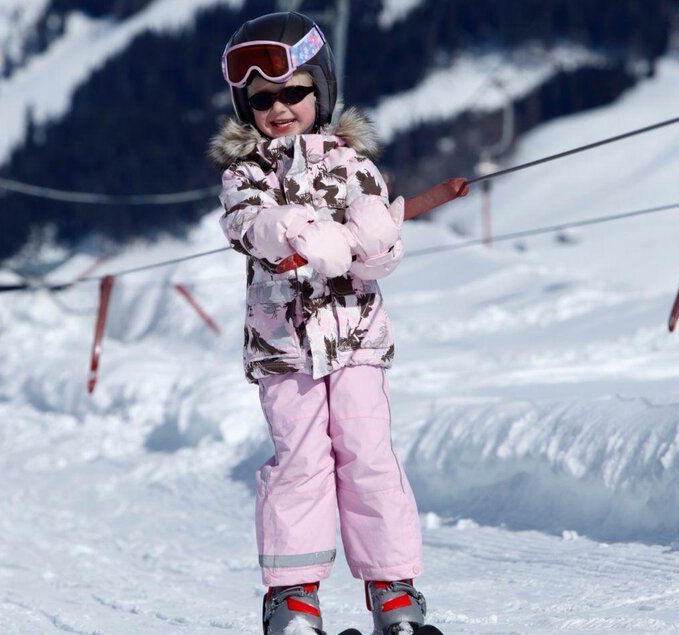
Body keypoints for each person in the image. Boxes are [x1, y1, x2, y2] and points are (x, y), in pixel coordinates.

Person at [210, 12, 428, 635]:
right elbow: (253, 227)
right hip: (285, 345)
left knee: (367, 455)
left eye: (293, 92)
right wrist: (307, 237)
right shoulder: (245, 174)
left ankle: (394, 590)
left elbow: (377, 250)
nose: (280, 108)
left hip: (356, 338)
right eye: (262, 99)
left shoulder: (355, 164)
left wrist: (378, 243)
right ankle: (293, 597)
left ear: (321, 92)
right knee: (301, 461)